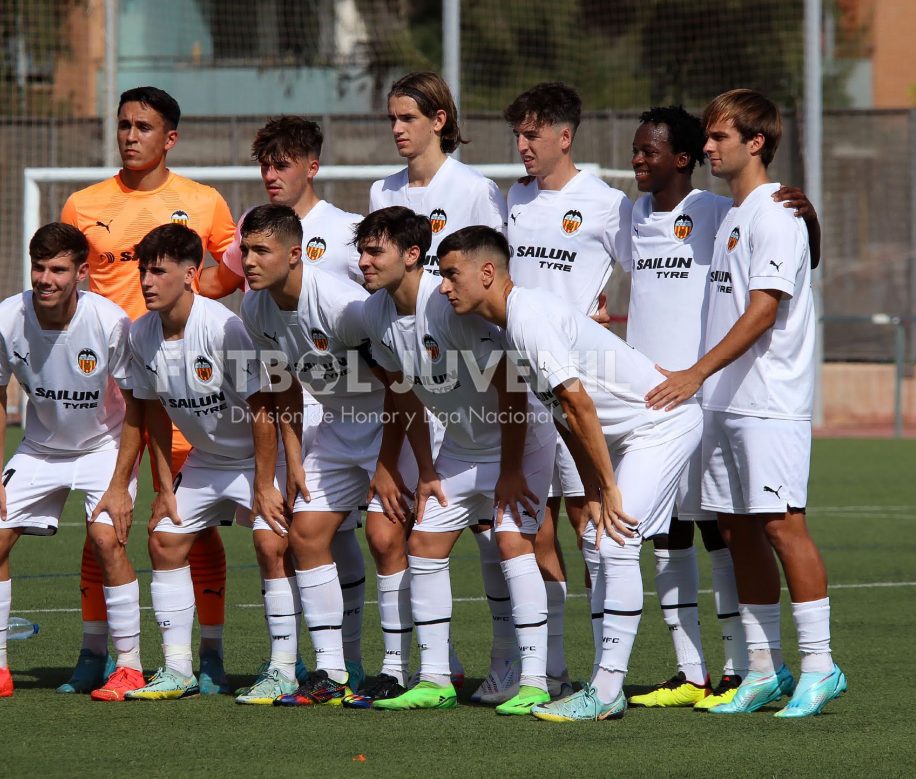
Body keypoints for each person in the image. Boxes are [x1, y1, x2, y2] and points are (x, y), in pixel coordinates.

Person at [436, 226, 702, 723]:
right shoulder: (511, 326)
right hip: (631, 436)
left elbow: (578, 404)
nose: (444, 286)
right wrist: (595, 491)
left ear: (487, 273)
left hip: (660, 427)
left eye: (452, 274)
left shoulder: (528, 320)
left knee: (615, 543)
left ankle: (605, 693)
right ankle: (601, 685)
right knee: (601, 541)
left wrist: (609, 489)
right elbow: (564, 415)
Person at [646, 89, 846, 718]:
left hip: (769, 404)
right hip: (724, 406)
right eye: (706, 137)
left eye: (719, 137)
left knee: (785, 528)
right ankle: (764, 669)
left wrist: (694, 372)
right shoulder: (731, 214)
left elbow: (763, 312)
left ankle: (821, 667)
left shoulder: (775, 215)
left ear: (755, 142)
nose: (707, 147)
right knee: (737, 531)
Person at [59, 86, 237, 695]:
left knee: (190, 525)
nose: (130, 135)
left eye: (143, 127)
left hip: (184, 392)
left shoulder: (203, 201)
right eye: (124, 125)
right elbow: (69, 284)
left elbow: (237, 267)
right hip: (107, 399)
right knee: (102, 523)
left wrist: (192, 307)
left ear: (170, 137)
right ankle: (94, 651)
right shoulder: (83, 205)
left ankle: (206, 654)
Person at [352, 207, 559, 715]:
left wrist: (511, 471)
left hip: (520, 440)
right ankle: (435, 679)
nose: (363, 261)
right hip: (462, 448)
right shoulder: (375, 313)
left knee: (511, 542)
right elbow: (405, 395)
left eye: (374, 251)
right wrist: (424, 470)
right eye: (361, 251)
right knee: (423, 541)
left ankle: (535, 680)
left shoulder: (447, 304)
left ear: (411, 255)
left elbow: (512, 389)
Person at [95, 222, 296, 702]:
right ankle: (177, 669)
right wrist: (164, 487)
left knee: (271, 545)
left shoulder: (225, 328)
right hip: (207, 460)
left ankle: (284, 669)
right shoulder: (140, 333)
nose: (145, 281)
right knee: (165, 539)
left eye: (158, 271)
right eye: (143, 270)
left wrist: (266, 484)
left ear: (190, 275)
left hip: (256, 458)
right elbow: (153, 414)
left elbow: (262, 410)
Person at [0, 223, 145, 701]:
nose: (46, 279)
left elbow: (138, 403)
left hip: (103, 447)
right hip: (39, 448)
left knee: (105, 537)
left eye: (58, 269)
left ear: (82, 272)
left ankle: (130, 668)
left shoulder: (109, 321)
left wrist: (120, 484)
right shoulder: (6, 318)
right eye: (39, 267)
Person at [237, 204, 419, 705]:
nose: (248, 260)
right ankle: (332, 672)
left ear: (295, 255)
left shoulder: (343, 307)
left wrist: (384, 469)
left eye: (261, 251)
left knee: (384, 536)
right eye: (245, 249)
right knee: (305, 533)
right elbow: (284, 388)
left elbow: (401, 388)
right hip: (338, 427)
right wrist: (293, 461)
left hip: (390, 423)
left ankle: (397, 671)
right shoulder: (254, 308)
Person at [219, 117, 372, 682]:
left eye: (282, 162)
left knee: (382, 536)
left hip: (376, 405)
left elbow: (388, 345)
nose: (271, 174)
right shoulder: (255, 290)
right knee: (302, 536)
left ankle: (417, 666)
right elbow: (276, 378)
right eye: (264, 163)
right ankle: (318, 668)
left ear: (312, 166)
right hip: (315, 418)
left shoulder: (349, 234)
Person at [501, 82, 629, 695]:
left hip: (575, 385)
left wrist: (600, 318)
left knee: (591, 522)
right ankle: (548, 670)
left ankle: (606, 671)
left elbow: (646, 270)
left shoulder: (606, 203)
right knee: (533, 526)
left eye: (532, 134)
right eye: (518, 135)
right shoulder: (512, 200)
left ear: (564, 136)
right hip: (518, 390)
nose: (522, 146)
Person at [370, 72, 506, 277]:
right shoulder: (381, 191)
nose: (397, 129)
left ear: (438, 120)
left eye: (408, 118)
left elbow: (494, 274)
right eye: (393, 119)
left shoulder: (476, 189)